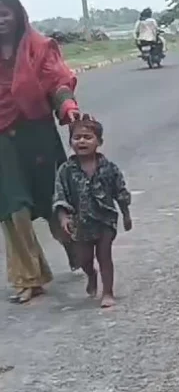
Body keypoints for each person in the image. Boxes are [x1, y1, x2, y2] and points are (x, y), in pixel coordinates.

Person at [0, 0, 82, 303]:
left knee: (55, 203)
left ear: (18, 14)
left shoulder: (38, 47)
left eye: (5, 13)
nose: (1, 20)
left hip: (37, 134)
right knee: (13, 207)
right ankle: (29, 277)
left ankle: (77, 248)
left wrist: (68, 107)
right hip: (3, 141)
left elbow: (57, 82)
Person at [52, 115, 131, 309]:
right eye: (77, 137)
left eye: (87, 137)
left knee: (105, 255)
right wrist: (63, 218)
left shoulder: (109, 168)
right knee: (83, 259)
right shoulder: (66, 170)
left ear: (99, 142)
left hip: (105, 220)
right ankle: (91, 275)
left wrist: (126, 214)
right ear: (71, 142)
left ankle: (108, 292)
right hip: (80, 223)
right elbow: (59, 195)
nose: (82, 141)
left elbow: (120, 191)